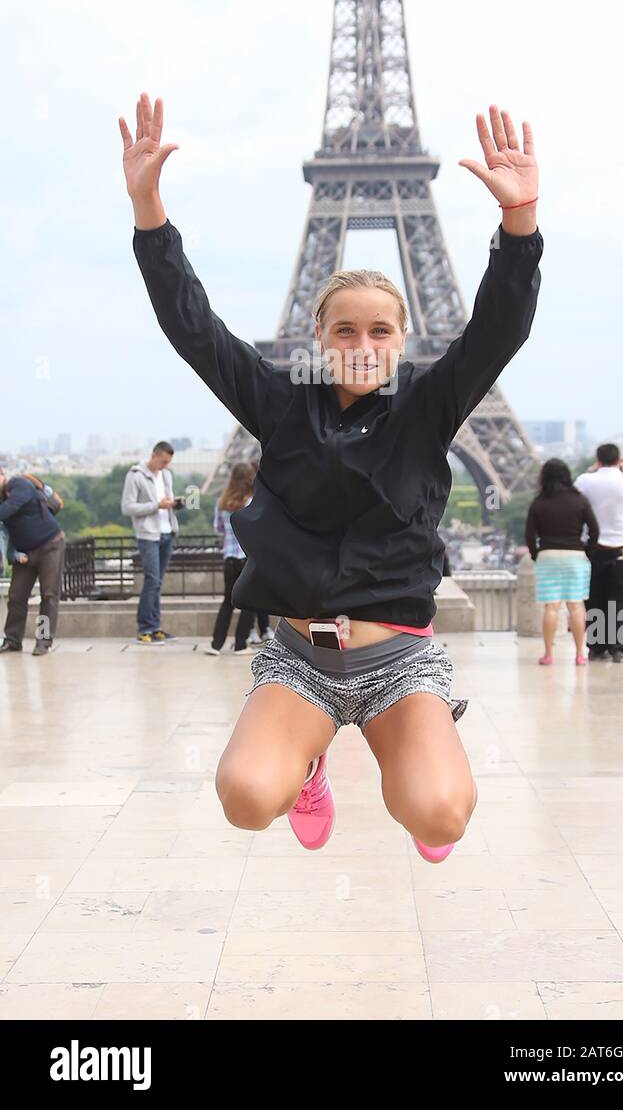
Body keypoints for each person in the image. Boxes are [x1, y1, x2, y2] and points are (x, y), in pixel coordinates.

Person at [119, 93, 542, 863]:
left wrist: (519, 226)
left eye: (379, 330)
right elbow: (195, 330)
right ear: (316, 334)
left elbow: (496, 331)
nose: (360, 342)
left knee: (440, 815)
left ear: (402, 337)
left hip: (399, 657)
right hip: (300, 657)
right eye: (342, 328)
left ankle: (413, 762)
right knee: (247, 802)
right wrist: (150, 212)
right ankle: (305, 763)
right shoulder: (281, 405)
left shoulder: (427, 407)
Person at [574, 445, 623, 662]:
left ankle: (596, 647)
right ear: (619, 459)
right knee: (617, 601)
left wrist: (592, 470)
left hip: (594, 550)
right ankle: (616, 647)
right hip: (622, 552)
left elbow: (575, 495)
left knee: (595, 599)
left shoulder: (585, 480)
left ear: (597, 459)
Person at [525, 458, 599, 666]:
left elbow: (529, 534)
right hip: (575, 556)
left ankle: (548, 654)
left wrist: (536, 554)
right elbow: (595, 530)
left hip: (548, 555)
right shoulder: (580, 500)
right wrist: (587, 551)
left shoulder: (539, 502)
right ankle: (580, 654)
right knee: (576, 606)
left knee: (551, 607)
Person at [207, 461, 271, 655]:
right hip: (247, 558)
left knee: (227, 602)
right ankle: (240, 644)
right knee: (249, 603)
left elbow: (218, 529)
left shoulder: (222, 503)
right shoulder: (252, 502)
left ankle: (216, 645)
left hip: (229, 559)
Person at [0, 466, 66, 656]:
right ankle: (13, 639)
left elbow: (10, 508)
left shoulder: (19, 484)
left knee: (48, 595)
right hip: (25, 553)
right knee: (16, 596)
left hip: (50, 546)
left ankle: (43, 641)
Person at [120, 440, 181, 644]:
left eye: (168, 462)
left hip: (167, 532)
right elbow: (127, 507)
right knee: (152, 580)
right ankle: (145, 628)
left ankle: (155, 627)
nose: (165, 465)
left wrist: (172, 504)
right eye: (163, 461)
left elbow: (166, 501)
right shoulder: (135, 475)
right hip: (148, 535)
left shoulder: (167, 475)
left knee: (157, 582)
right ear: (154, 455)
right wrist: (156, 505)